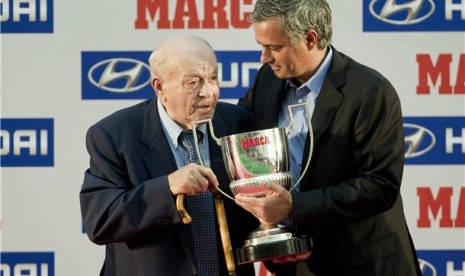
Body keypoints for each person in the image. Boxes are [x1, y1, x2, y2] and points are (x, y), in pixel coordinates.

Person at [234, 0, 422, 275]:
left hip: (364, 264)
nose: (264, 57)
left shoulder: (370, 91)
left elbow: (380, 186)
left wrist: (293, 207)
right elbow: (240, 135)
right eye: (262, 46)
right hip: (297, 265)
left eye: (275, 47)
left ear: (310, 39)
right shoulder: (267, 80)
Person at [79, 35, 258, 276]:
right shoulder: (114, 135)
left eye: (213, 78)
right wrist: (167, 187)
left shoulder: (238, 122)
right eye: (193, 82)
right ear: (160, 86)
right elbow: (100, 221)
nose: (209, 92)